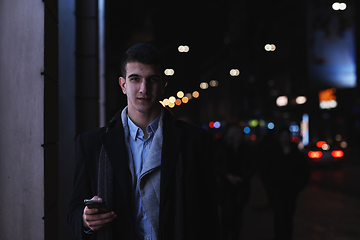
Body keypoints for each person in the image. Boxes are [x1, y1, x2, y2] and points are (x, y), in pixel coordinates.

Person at [67, 43, 221, 240]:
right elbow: (73, 210)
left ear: (163, 84)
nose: (144, 89)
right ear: (123, 85)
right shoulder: (91, 144)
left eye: (152, 80)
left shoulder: (196, 142)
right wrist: (85, 220)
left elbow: (209, 216)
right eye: (135, 79)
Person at [258, 127, 310, 240]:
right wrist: (269, 187)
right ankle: (278, 236)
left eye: (287, 136)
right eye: (283, 135)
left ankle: (287, 236)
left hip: (291, 190)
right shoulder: (273, 151)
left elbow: (304, 170)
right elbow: (264, 170)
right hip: (276, 190)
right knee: (278, 215)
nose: (285, 138)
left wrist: (299, 186)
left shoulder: (295, 152)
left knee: (288, 216)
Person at [216, 126, 255, 240]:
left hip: (240, 186)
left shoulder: (246, 149)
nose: (239, 136)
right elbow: (217, 164)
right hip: (226, 186)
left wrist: (243, 177)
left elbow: (251, 166)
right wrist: (227, 175)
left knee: (238, 216)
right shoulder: (224, 148)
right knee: (226, 216)